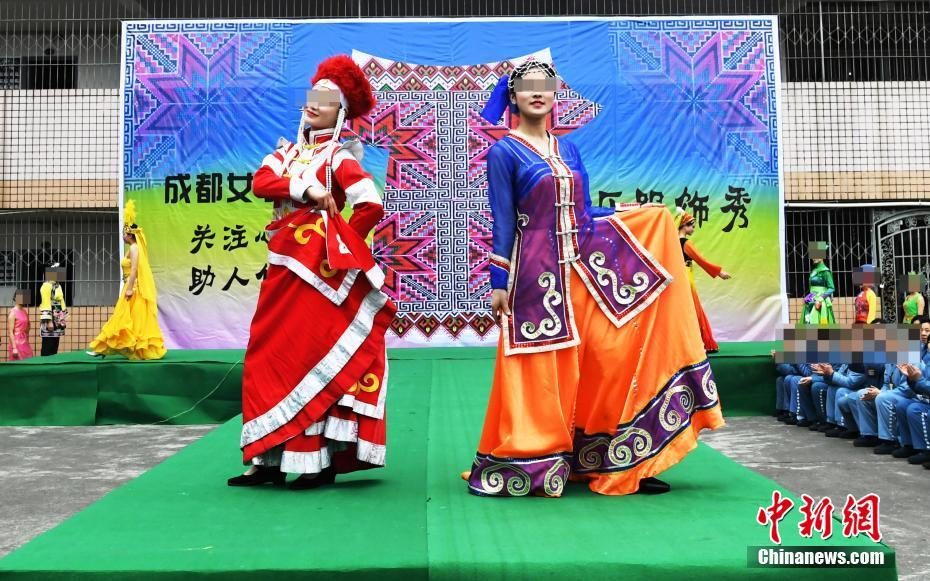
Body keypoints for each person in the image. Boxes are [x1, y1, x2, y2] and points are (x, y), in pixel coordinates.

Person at [463, 60, 724, 498]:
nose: (538, 93)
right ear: (514, 97)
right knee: (544, 370)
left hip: (585, 271)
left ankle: (620, 457)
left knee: (609, 356)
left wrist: (647, 217)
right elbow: (503, 222)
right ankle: (535, 458)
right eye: (527, 87)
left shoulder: (569, 151)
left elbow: (583, 216)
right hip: (535, 276)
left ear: (554, 95)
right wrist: (497, 280)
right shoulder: (504, 153)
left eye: (545, 86)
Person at [229, 55, 395, 490]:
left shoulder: (338, 156)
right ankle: (265, 457)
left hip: (317, 280)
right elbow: (262, 183)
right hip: (282, 271)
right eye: (313, 94)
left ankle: (311, 460)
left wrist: (337, 246)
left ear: (340, 110)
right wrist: (306, 187)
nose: (314, 104)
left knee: (308, 360)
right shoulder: (285, 153)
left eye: (326, 98)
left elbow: (370, 204)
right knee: (266, 356)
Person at [87, 201, 167, 360]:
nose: (123, 236)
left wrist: (130, 288)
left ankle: (103, 348)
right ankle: (104, 348)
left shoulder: (134, 248)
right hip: (130, 286)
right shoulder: (133, 249)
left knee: (122, 317)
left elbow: (135, 269)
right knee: (127, 318)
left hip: (133, 288)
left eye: (124, 233)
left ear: (130, 235)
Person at [677, 209, 731, 353]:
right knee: (695, 310)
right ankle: (704, 343)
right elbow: (701, 261)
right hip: (686, 279)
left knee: (682, 312)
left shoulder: (672, 242)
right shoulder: (686, 244)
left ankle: (686, 345)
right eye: (692, 226)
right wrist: (719, 272)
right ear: (684, 225)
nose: (693, 229)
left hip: (678, 279)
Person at [802, 242, 835, 325]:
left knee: (818, 323)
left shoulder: (825, 271)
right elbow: (812, 288)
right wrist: (808, 297)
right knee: (808, 321)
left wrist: (820, 298)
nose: (814, 257)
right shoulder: (814, 271)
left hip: (820, 302)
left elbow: (831, 288)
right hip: (812, 299)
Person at [38, 266, 68, 356]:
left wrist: (63, 318)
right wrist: (49, 321)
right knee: (48, 344)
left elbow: (61, 300)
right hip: (50, 316)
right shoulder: (46, 285)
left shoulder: (58, 285)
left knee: (55, 343)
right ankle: (44, 365)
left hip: (58, 316)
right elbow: (45, 303)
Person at [7, 289, 33, 361]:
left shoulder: (24, 311)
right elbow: (11, 332)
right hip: (16, 342)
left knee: (29, 359)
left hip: (24, 340)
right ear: (16, 298)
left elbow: (27, 326)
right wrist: (14, 348)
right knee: (18, 363)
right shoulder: (12, 313)